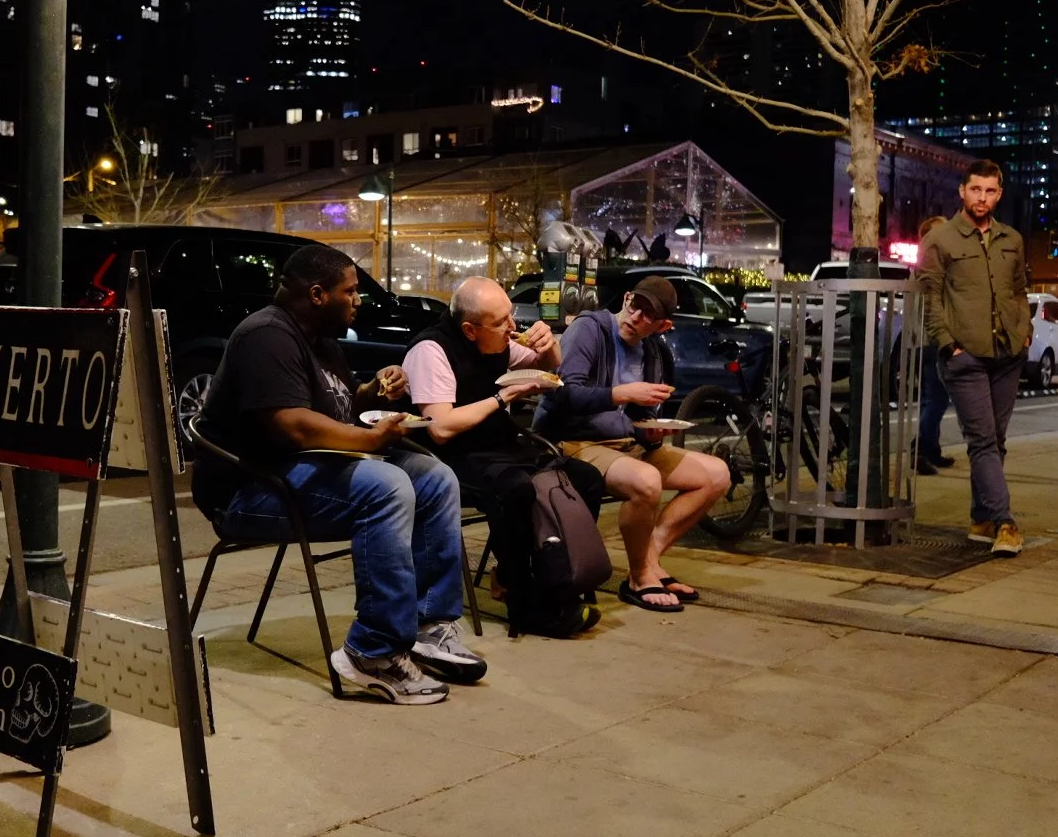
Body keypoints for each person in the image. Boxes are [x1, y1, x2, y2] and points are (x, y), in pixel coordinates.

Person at [192, 244, 485, 704]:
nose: (358, 299)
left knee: (434, 477)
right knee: (387, 487)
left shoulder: (321, 340)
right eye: (350, 291)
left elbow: (343, 408)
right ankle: (375, 651)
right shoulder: (266, 336)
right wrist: (369, 441)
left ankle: (429, 625)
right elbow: (291, 424)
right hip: (248, 490)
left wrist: (375, 390)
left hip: (303, 473)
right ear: (316, 294)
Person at [403, 277, 607, 636]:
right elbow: (441, 427)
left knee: (587, 480)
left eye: (512, 317)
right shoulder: (431, 351)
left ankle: (555, 582)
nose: (513, 328)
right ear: (469, 329)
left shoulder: (499, 342)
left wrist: (550, 347)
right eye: (502, 322)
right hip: (454, 457)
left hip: (505, 446)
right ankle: (522, 600)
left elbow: (549, 370)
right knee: (517, 490)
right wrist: (502, 399)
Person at [534, 275, 731, 611]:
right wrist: (619, 394)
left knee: (716, 475)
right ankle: (639, 575)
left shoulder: (653, 351)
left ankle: (649, 560)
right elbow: (561, 393)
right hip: (573, 440)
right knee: (646, 481)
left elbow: (638, 418)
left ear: (662, 325)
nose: (636, 317)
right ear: (626, 298)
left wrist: (650, 432)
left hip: (624, 444)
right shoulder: (590, 328)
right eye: (634, 305)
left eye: (647, 316)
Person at [916, 159, 1033, 557]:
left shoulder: (1012, 239)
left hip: (1008, 354)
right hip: (964, 357)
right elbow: (928, 295)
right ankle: (1005, 523)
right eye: (975, 190)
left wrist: (1024, 331)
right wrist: (948, 343)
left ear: (999, 194)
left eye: (990, 191)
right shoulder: (941, 239)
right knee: (982, 441)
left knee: (994, 442)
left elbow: (1019, 290)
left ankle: (982, 518)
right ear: (962, 192)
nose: (982, 198)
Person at [914, 215, 956, 475]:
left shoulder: (925, 263)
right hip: (930, 340)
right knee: (937, 400)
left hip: (925, 339)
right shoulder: (932, 264)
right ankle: (921, 449)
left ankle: (931, 449)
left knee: (932, 399)